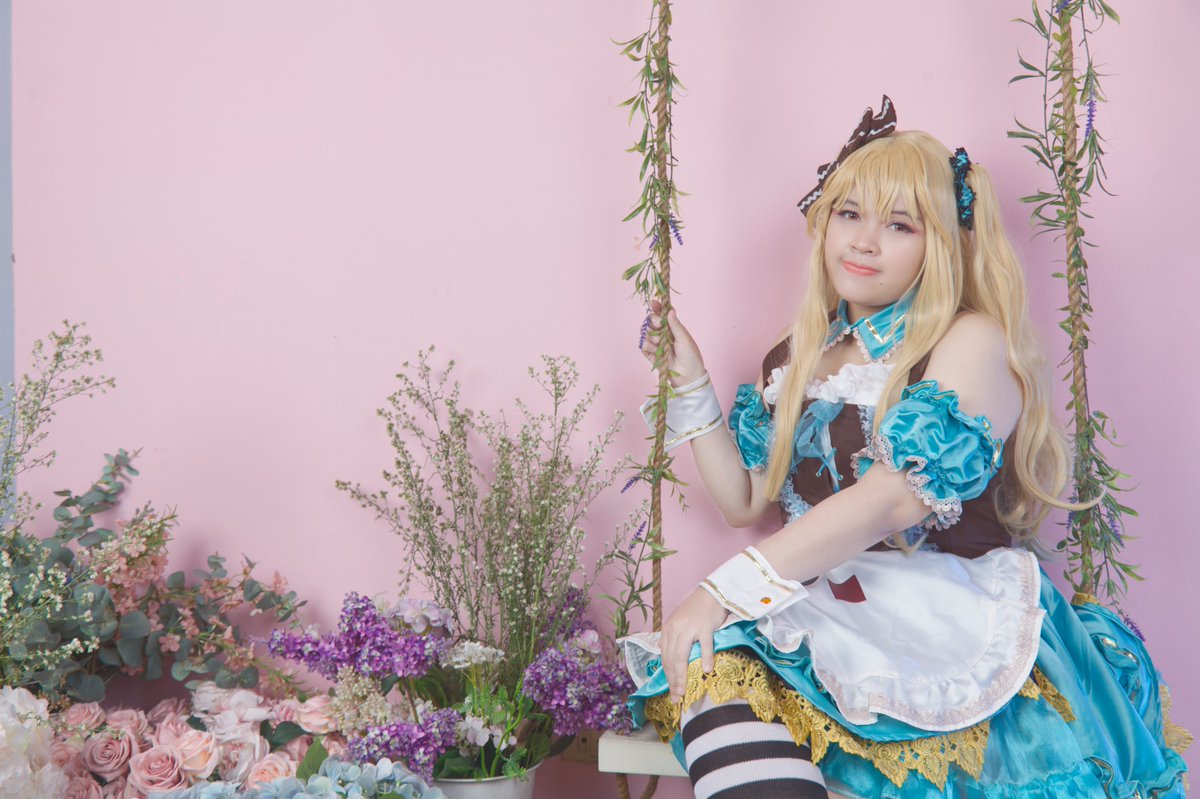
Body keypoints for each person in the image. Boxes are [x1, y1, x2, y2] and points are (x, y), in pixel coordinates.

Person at [624, 96, 1190, 799]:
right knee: (714, 679)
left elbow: (894, 498)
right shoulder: (798, 356)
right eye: (848, 214)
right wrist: (689, 384)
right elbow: (744, 500)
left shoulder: (971, 341)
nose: (864, 241)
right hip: (823, 599)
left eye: (899, 225)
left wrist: (724, 589)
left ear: (940, 244)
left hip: (944, 606)